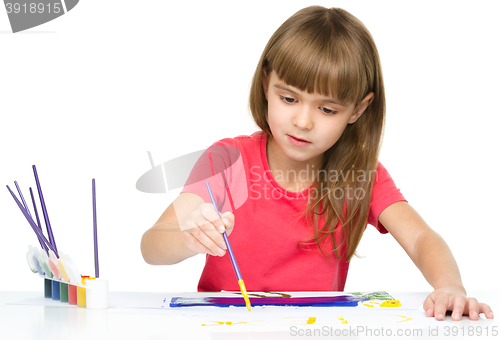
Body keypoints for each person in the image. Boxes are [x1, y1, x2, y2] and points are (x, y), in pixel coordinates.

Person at [141, 6, 494, 321]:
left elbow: (420, 238)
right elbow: (153, 245)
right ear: (267, 84)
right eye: (289, 98)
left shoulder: (360, 175)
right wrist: (189, 239)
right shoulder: (227, 160)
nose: (303, 121)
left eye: (327, 109)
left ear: (358, 108)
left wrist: (450, 286)